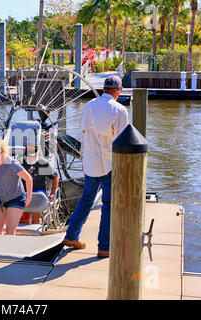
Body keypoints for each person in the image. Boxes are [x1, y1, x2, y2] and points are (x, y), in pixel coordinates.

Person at [63, 75, 129, 259]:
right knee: (108, 205)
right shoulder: (120, 110)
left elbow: (83, 132)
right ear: (118, 91)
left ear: (103, 89)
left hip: (90, 161)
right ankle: (105, 247)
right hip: (109, 163)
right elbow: (124, 139)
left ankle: (72, 235)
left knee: (86, 199)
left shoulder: (89, 105)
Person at [0, 140, 33, 235]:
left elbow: (29, 179)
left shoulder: (13, 164)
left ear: (4, 152)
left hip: (16, 199)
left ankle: (11, 249)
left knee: (9, 231)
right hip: (1, 198)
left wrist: (29, 198)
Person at [21, 144, 60, 224]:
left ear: (37, 154)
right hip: (24, 190)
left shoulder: (42, 164)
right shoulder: (21, 163)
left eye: (32, 156)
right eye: (28, 155)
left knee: (37, 200)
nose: (30, 158)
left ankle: (35, 224)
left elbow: (55, 177)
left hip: (38, 190)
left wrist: (52, 194)